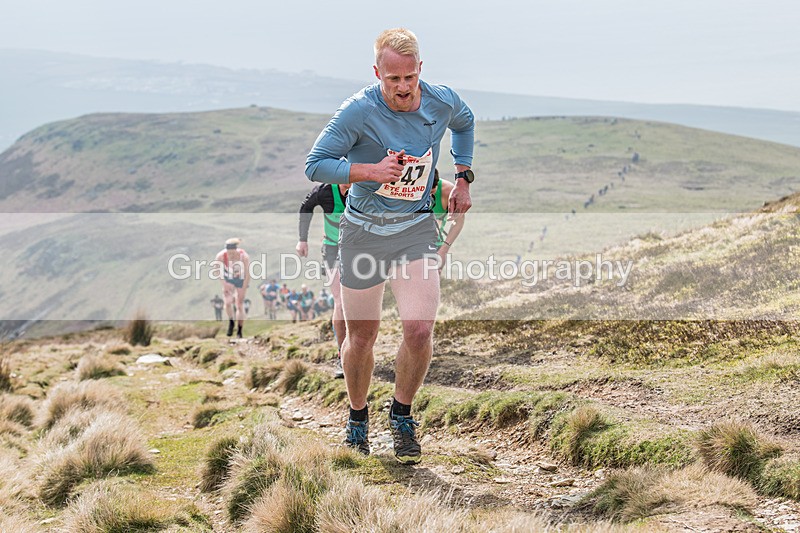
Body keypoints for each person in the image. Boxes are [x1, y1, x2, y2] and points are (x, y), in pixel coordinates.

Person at [305, 28, 474, 464]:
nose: (402, 87)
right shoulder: (358, 111)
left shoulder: (441, 100)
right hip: (363, 232)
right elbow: (315, 164)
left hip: (415, 229)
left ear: (421, 70)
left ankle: (401, 414)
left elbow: (465, 122)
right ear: (377, 73)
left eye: (409, 78)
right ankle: (357, 416)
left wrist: (463, 175)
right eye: (392, 79)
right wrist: (368, 171)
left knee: (419, 329)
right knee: (362, 335)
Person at [296, 182, 351, 378]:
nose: (348, 182)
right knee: (341, 302)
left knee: (358, 303)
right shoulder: (325, 191)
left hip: (360, 249)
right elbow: (306, 208)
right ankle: (342, 355)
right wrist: (302, 239)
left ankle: (359, 350)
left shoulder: (365, 185)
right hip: (332, 249)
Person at [430, 169, 466, 269]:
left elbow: (459, 220)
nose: (429, 197)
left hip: (434, 246)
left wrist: (444, 249)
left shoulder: (448, 191)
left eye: (432, 192)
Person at [214, 238, 250, 338]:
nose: (231, 255)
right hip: (228, 278)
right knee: (228, 302)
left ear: (236, 250)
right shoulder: (221, 255)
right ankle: (231, 321)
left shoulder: (244, 256)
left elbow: (248, 273)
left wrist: (244, 286)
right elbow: (216, 270)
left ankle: (239, 330)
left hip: (241, 279)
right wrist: (223, 283)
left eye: (233, 253)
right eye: (229, 253)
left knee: (239, 304)